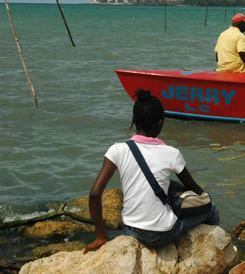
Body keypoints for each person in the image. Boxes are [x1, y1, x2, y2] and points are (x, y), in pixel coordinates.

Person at [84, 89, 219, 253]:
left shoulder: (117, 150)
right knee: (210, 209)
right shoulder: (171, 153)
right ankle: (213, 244)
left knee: (169, 184)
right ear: (160, 123)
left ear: (133, 119)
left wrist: (101, 236)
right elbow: (195, 189)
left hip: (130, 229)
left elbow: (94, 194)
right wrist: (206, 199)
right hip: (159, 235)